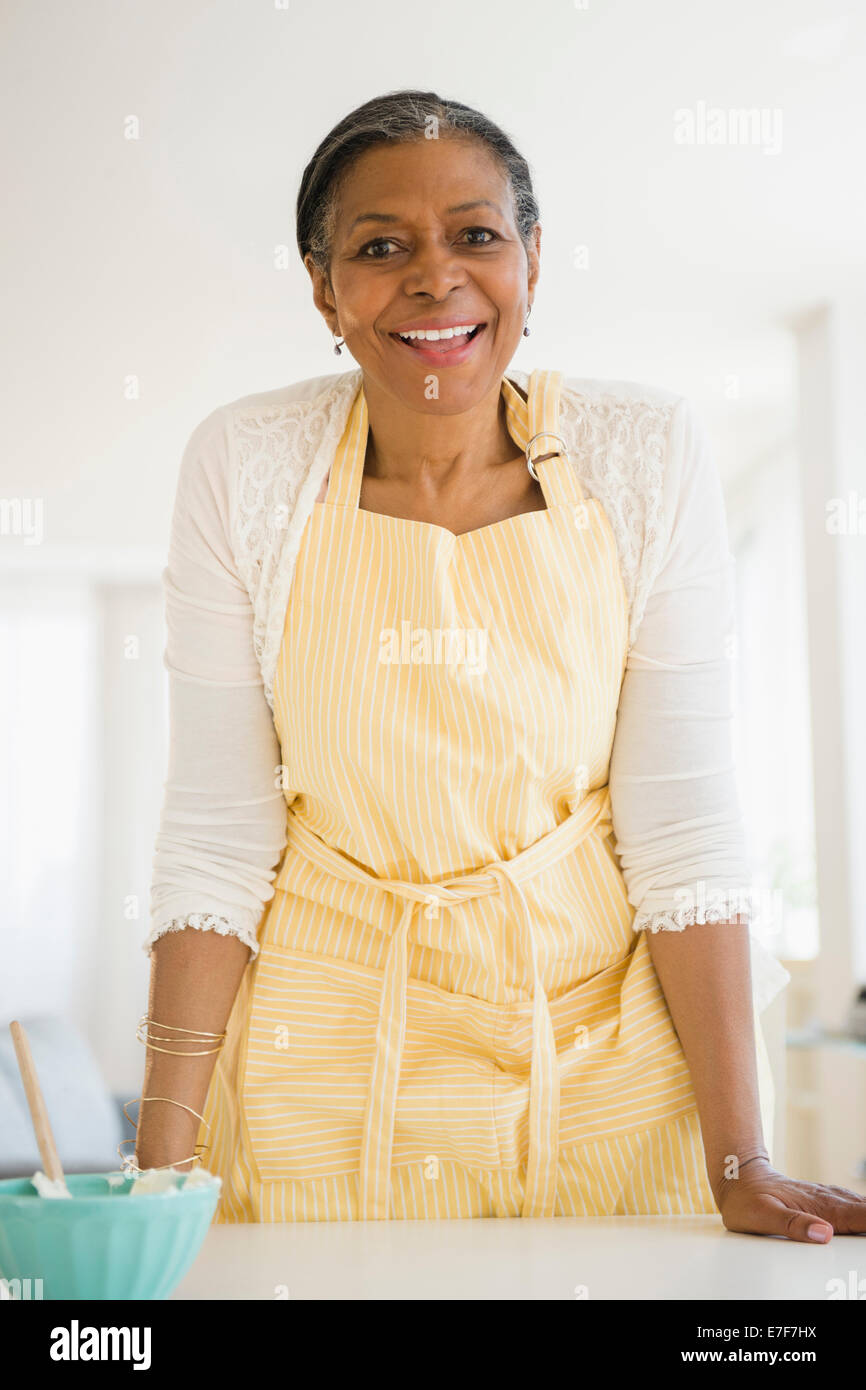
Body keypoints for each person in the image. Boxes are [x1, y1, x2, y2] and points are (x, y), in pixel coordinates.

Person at [136, 90, 863, 1239]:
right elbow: (218, 838)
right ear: (323, 288)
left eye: (475, 235)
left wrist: (740, 1159)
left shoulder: (644, 452)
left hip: (597, 1066)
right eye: (380, 247)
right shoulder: (245, 466)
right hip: (316, 1067)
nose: (435, 277)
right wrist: (154, 1181)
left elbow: (679, 830)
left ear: (530, 257)